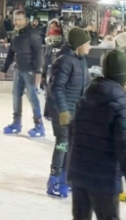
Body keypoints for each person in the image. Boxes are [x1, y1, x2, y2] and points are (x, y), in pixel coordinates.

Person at [67, 49, 126, 220]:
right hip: (104, 179)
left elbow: (73, 134)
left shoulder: (88, 93)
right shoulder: (122, 105)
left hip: (79, 174)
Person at [45, 27, 90, 199]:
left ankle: (66, 178)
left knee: (71, 145)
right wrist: (63, 111)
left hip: (74, 112)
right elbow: (56, 88)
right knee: (63, 143)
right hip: (61, 111)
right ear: (79, 45)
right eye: (87, 44)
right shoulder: (64, 61)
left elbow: (84, 87)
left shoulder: (82, 61)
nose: (89, 48)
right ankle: (54, 179)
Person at [2, 10, 46, 138]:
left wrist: (38, 71)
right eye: (15, 19)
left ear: (25, 20)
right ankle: (16, 123)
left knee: (32, 97)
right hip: (18, 69)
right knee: (16, 96)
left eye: (19, 19)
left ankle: (39, 126)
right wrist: (4, 68)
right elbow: (11, 52)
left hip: (30, 70)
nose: (16, 22)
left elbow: (39, 53)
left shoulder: (32, 34)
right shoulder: (15, 35)